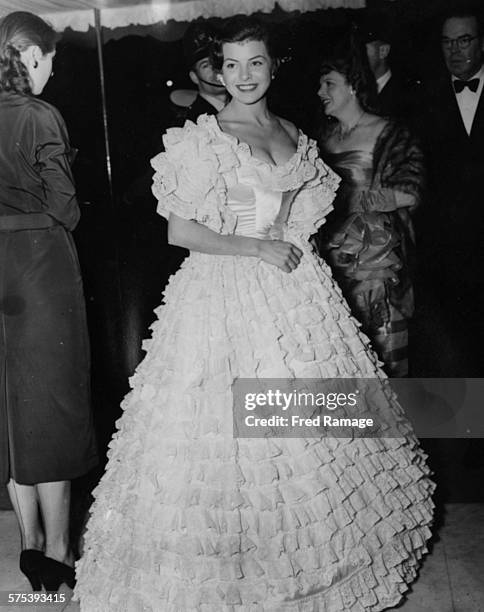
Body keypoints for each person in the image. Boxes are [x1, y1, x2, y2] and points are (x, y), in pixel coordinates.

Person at [74, 16, 433, 611]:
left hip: (296, 295)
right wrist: (256, 247)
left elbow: (306, 215)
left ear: (274, 67)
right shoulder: (206, 136)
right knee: (224, 440)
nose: (242, 76)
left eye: (255, 63)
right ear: (220, 70)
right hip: (222, 290)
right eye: (231, 65)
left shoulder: (296, 132)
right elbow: (180, 229)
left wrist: (294, 254)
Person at [0, 11, 97, 592]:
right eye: (52, 58)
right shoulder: (40, 115)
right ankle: (59, 553)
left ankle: (28, 543)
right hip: (39, 267)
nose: (53, 68)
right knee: (52, 407)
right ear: (32, 56)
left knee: (11, 410)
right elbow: (66, 208)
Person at [316, 39, 424, 377]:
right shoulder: (322, 138)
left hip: (378, 261)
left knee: (387, 357)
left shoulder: (389, 132)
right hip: (334, 259)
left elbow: (412, 191)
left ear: (351, 85)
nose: (320, 91)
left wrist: (359, 199)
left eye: (328, 83)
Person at [417, 4, 484, 375]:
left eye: (465, 40)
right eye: (447, 43)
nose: (456, 51)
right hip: (444, 256)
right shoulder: (422, 99)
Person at [170, 20, 228, 126]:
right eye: (205, 65)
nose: (216, 68)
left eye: (218, 61)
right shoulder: (192, 123)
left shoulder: (245, 107)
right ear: (194, 77)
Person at [360, 16, 419, 121]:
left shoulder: (409, 95)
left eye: (364, 50)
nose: (359, 56)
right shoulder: (357, 92)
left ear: (383, 51)